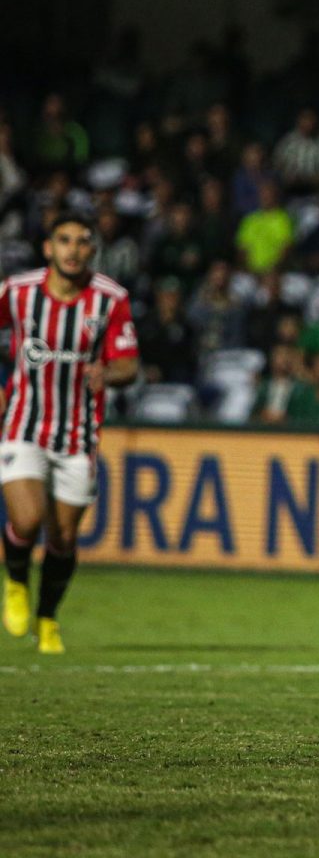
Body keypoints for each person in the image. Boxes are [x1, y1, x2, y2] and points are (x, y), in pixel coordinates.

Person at [1, 212, 140, 654]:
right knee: (26, 519)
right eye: (64, 240)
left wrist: (109, 374)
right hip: (23, 423)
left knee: (62, 537)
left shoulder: (110, 299)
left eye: (82, 242)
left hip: (78, 434)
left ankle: (47, 618)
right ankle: (17, 581)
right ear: (48, 248)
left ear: (92, 251)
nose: (73, 249)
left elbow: (129, 364)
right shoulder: (18, 292)